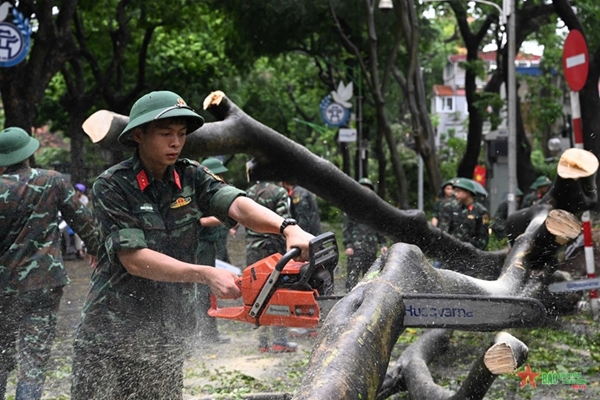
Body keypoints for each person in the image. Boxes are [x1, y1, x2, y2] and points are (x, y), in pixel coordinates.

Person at [70, 91, 313, 399]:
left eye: (182, 134)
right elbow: (134, 259)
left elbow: (236, 204)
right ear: (138, 135)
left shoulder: (191, 174)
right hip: (110, 336)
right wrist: (204, 273)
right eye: (165, 133)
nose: (176, 142)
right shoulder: (112, 185)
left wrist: (288, 228)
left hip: (166, 337)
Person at [0, 127, 100, 400]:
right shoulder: (52, 180)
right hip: (44, 284)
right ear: (30, 153)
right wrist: (96, 248)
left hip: (2, 288)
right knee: (34, 358)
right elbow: (83, 220)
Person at [246, 180, 299, 353]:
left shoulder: (249, 191)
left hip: (252, 248)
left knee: (257, 294)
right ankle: (279, 341)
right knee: (278, 293)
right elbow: (284, 221)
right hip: (272, 249)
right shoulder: (279, 192)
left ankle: (262, 343)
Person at [196, 157, 232, 344]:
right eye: (218, 174)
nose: (222, 178)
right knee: (203, 292)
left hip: (215, 248)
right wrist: (225, 218)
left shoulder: (215, 193)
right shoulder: (198, 194)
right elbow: (199, 221)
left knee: (211, 291)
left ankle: (211, 334)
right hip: (203, 249)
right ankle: (206, 334)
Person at [342, 178, 388, 292]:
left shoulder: (375, 209)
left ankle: (367, 297)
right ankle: (349, 298)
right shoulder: (352, 207)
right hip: (355, 248)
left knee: (370, 276)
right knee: (353, 276)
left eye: (368, 189)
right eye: (363, 189)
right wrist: (348, 245)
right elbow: (346, 228)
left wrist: (382, 244)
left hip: (371, 249)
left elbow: (380, 228)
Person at [438, 178, 490, 250]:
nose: (456, 194)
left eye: (458, 191)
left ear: (468, 192)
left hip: (471, 251)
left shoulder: (481, 212)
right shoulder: (454, 208)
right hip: (453, 250)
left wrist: (475, 251)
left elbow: (484, 237)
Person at [73, 183, 90, 259]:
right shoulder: (74, 198)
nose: (77, 192)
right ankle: (79, 250)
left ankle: (84, 250)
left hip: (83, 218)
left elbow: (83, 207)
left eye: (78, 191)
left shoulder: (84, 198)